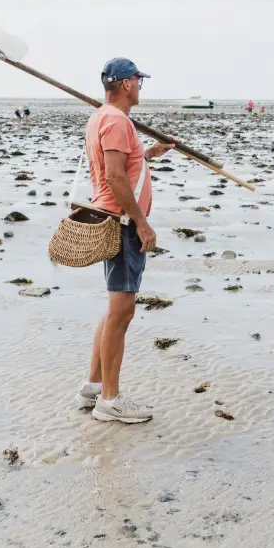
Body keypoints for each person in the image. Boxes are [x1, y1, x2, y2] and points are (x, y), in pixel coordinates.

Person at [75, 57, 175, 424]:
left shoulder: (104, 118)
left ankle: (93, 386)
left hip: (114, 218)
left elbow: (120, 165)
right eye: (138, 80)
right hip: (121, 223)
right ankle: (110, 400)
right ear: (127, 83)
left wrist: (149, 153)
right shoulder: (117, 121)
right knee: (122, 312)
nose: (140, 86)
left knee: (115, 309)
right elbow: (115, 178)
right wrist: (142, 223)